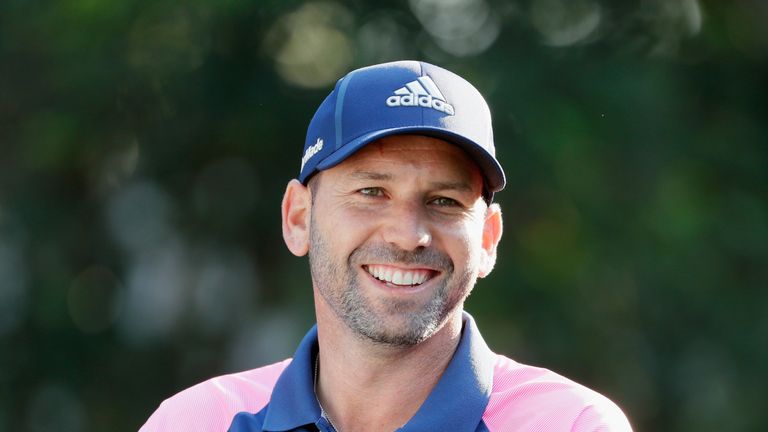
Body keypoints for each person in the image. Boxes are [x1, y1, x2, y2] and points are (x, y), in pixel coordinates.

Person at [140, 60, 632, 432]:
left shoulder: (570, 424)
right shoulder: (195, 421)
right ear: (298, 218)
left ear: (486, 239)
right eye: (371, 192)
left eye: (443, 200)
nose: (407, 234)